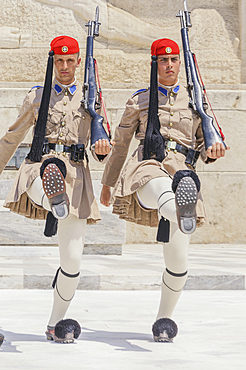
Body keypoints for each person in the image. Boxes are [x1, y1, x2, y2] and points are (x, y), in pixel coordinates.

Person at [100, 38, 228, 342]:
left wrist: (213, 149)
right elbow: (120, 146)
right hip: (147, 165)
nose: (169, 65)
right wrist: (107, 183)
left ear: (179, 64)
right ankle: (180, 207)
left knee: (178, 261)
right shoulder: (140, 100)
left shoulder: (197, 102)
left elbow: (205, 143)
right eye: (162, 60)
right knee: (161, 189)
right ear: (154, 65)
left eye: (173, 60)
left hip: (183, 169)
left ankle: (164, 319)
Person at [0, 35, 111, 343]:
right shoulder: (38, 95)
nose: (64, 66)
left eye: (69, 60)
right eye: (58, 61)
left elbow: (103, 148)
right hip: (40, 167)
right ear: (53, 62)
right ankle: (53, 196)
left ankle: (55, 323)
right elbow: (13, 136)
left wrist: (102, 148)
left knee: (73, 260)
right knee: (49, 175)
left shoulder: (92, 99)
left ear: (78, 62)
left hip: (76, 176)